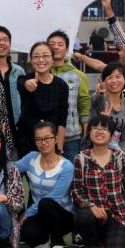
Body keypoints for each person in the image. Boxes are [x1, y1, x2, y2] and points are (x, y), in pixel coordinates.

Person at [73, 115, 125, 248]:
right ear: (89, 132)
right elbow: (77, 190)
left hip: (118, 214)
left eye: (104, 129)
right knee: (82, 216)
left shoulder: (119, 157)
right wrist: (91, 206)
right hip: (94, 214)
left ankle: (110, 243)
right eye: (95, 128)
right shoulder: (81, 158)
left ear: (111, 135)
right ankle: (93, 247)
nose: (99, 131)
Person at [17, 122, 74, 248]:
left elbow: (55, 197)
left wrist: (27, 213)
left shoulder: (66, 166)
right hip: (40, 214)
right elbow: (11, 170)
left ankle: (58, 243)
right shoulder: (31, 158)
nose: (43, 143)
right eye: (38, 139)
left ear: (55, 139)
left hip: (64, 216)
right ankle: (45, 241)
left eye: (47, 138)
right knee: (27, 232)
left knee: (46, 203)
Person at [16, 42, 68, 155]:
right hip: (27, 142)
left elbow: (62, 119)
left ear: (52, 59)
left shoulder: (62, 85)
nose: (41, 60)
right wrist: (28, 84)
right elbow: (22, 84)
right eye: (36, 56)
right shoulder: (24, 79)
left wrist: (59, 147)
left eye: (45, 56)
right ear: (31, 60)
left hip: (51, 143)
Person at [47, 30, 90, 160]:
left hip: (72, 136)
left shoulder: (78, 75)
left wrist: (86, 130)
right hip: (46, 136)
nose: (56, 47)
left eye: (60, 44)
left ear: (66, 49)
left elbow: (84, 103)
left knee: (72, 170)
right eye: (52, 44)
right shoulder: (40, 74)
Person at [77, 39, 125, 105]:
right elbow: (99, 65)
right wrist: (81, 57)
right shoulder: (117, 70)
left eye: (122, 50)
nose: (119, 53)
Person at [0, 26, 26, 134]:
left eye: (5, 40)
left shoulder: (19, 71)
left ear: (10, 44)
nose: (1, 43)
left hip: (16, 130)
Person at [84, 63, 125, 153]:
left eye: (117, 77)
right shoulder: (97, 98)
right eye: (109, 78)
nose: (114, 81)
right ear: (104, 81)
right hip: (94, 151)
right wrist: (101, 93)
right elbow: (97, 101)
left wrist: (120, 154)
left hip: (117, 154)